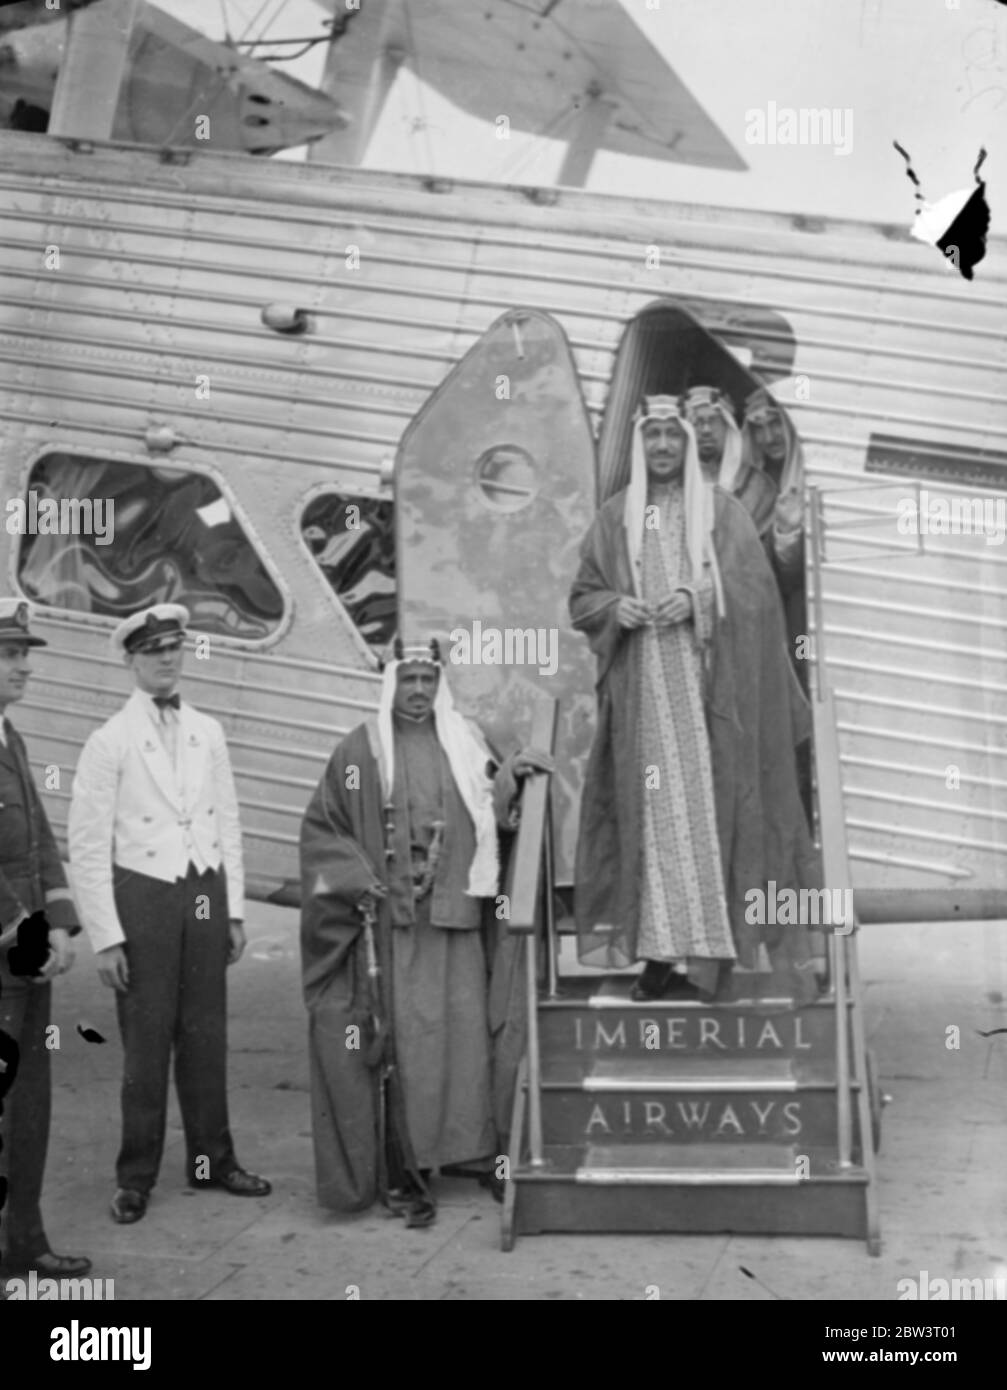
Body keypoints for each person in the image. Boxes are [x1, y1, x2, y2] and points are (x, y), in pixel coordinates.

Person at [569, 396, 819, 1003]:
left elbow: (755, 593)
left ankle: (712, 958)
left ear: (687, 444)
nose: (661, 447)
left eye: (670, 437)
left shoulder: (722, 513)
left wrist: (698, 598)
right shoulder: (614, 518)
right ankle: (658, 955)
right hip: (642, 699)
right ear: (639, 445)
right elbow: (582, 598)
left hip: (712, 696)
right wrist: (613, 608)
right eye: (650, 436)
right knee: (653, 823)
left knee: (711, 819)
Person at [299, 639, 551, 1225]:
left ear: (439, 684)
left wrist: (515, 776)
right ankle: (408, 1163)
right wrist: (359, 878)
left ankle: (467, 1153)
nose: (418, 690)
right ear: (392, 681)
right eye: (408, 679)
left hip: (456, 919)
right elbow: (322, 829)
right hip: (397, 926)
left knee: (466, 1040)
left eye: (427, 680)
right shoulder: (361, 750)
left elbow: (495, 817)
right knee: (410, 1048)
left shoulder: (465, 741)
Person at [68, 603, 270, 1225]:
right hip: (145, 897)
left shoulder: (207, 730)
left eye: (174, 647)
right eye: (153, 650)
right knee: (146, 1045)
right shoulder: (108, 742)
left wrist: (232, 911)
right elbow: (85, 844)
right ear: (131, 659)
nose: (166, 659)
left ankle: (213, 1161)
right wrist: (106, 938)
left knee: (207, 1037)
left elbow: (228, 820)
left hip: (203, 890)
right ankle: (135, 1177)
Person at [0, 599, 90, 1288]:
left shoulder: (11, 739)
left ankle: (24, 1241)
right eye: (10, 654)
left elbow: (40, 844)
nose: (24, 666)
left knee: (29, 1107)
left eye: (26, 653)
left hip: (27, 957)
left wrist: (59, 921)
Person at [737, 387, 807, 681]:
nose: (769, 438)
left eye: (776, 423)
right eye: (758, 429)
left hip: (802, 610)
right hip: (769, 612)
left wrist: (787, 533)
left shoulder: (808, 475)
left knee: (803, 665)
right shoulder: (751, 485)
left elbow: (795, 576)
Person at [683, 384, 744, 488]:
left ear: (727, 427)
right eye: (697, 422)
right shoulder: (672, 480)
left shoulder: (748, 480)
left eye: (713, 421)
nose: (706, 430)